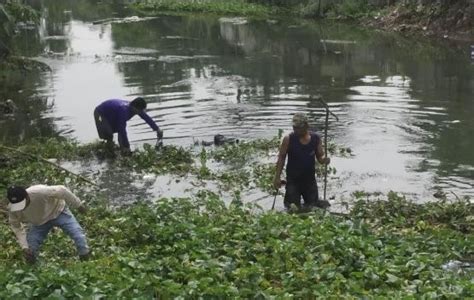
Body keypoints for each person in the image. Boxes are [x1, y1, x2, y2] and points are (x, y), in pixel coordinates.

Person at [5, 185, 90, 263]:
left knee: (78, 236)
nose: (20, 207)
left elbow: (62, 190)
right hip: (39, 223)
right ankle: (34, 271)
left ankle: (85, 262)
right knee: (31, 251)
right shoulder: (12, 209)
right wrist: (24, 246)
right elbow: (16, 227)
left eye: (21, 204)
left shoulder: (39, 191)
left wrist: (78, 205)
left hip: (58, 211)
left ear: (27, 196)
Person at [273, 113, 331, 210]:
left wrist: (325, 160)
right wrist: (277, 177)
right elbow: (281, 158)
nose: (295, 130)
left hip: (310, 181)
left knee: (313, 206)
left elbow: (320, 158)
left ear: (306, 126)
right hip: (293, 180)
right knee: (291, 208)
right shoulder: (288, 139)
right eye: (294, 127)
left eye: (298, 128)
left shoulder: (316, 139)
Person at [94, 97, 163, 153]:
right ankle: (110, 149)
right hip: (100, 114)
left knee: (119, 131)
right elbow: (122, 129)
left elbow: (147, 118)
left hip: (111, 114)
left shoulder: (136, 109)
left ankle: (120, 150)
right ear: (134, 107)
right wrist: (127, 145)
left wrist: (157, 129)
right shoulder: (124, 110)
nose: (140, 112)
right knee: (109, 134)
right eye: (140, 110)